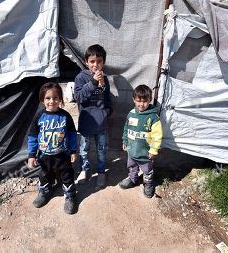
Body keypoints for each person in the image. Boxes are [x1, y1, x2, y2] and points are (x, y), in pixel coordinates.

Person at [28, 82, 78, 214]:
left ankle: (70, 196)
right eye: (48, 98)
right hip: (44, 155)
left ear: (60, 99)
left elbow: (73, 134)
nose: (52, 101)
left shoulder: (65, 116)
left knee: (67, 175)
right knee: (45, 174)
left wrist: (73, 150)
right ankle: (45, 191)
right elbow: (32, 136)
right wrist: (31, 155)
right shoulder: (39, 117)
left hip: (63, 154)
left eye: (55, 98)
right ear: (42, 100)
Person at [74, 44, 113, 189]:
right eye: (92, 61)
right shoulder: (81, 77)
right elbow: (79, 97)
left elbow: (107, 98)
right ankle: (84, 170)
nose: (95, 65)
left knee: (101, 150)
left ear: (103, 62)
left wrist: (108, 111)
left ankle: (101, 172)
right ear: (86, 62)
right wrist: (93, 82)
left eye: (99, 61)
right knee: (84, 149)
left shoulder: (105, 79)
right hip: (86, 121)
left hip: (101, 123)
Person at [120, 84, 163, 198]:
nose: (141, 104)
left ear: (150, 100)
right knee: (132, 166)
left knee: (147, 170)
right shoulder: (131, 113)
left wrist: (153, 151)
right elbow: (126, 128)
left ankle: (148, 183)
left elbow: (157, 136)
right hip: (132, 150)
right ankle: (133, 178)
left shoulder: (153, 117)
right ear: (134, 99)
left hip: (145, 153)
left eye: (145, 101)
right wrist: (125, 141)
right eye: (138, 101)